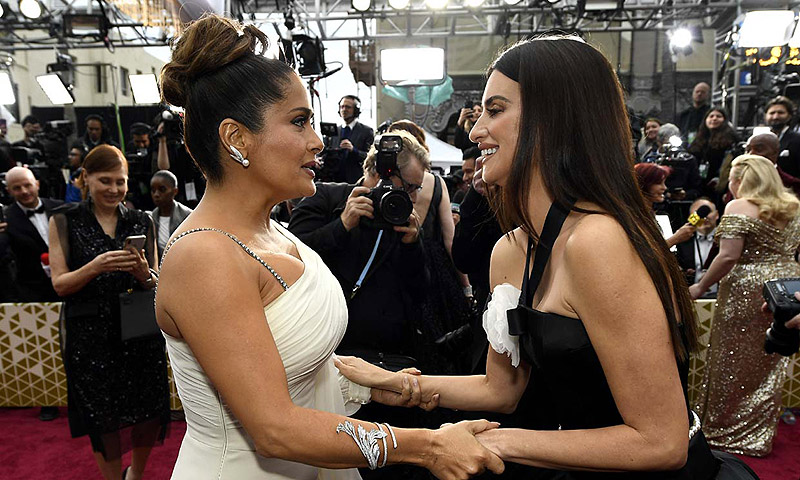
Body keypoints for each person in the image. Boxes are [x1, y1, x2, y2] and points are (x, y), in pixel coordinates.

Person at [337, 35, 758, 479]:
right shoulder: (511, 249)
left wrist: (489, 441)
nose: (476, 131)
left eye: (495, 111)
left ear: (552, 120)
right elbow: (502, 390)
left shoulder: (597, 241)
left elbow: (661, 441)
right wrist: (396, 382)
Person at [155, 15, 503, 480]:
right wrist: (429, 445)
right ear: (237, 139)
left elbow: (285, 360)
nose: (318, 141)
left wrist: (373, 381)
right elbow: (274, 429)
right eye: (299, 122)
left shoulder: (277, 231)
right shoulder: (204, 257)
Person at [48, 145, 169, 480]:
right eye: (105, 181)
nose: (114, 189)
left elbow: (154, 281)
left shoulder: (140, 219)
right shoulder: (63, 220)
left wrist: (142, 272)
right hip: (91, 339)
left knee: (148, 414)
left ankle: (136, 475)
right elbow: (60, 284)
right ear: (86, 178)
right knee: (103, 420)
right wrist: (95, 267)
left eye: (121, 181)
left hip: (140, 333)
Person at [689, 154, 800, 456]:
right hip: (786, 290)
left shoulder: (738, 206)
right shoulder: (794, 207)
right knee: (770, 358)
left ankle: (724, 431)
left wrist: (699, 286)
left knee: (730, 359)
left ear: (742, 179)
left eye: (733, 180)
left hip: (747, 289)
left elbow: (727, 256)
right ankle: (757, 435)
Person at [386, 120, 473, 375]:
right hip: (437, 272)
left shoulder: (378, 187)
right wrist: (466, 289)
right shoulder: (435, 183)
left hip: (396, 265)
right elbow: (450, 238)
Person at [0, 166, 63, 422]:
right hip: (33, 292)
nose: (24, 191)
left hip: (70, 284)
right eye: (17, 188)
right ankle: (48, 399)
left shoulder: (60, 207)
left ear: (36, 183)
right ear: (9, 191)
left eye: (27, 185)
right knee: (44, 346)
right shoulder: (7, 219)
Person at [634, 162, 696, 248]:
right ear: (644, 184)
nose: (665, 188)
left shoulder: (650, 212)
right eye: (659, 183)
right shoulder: (634, 216)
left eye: (664, 183)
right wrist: (676, 238)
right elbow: (645, 253)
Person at [688, 107, 738, 199]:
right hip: (699, 184)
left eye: (718, 116)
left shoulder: (732, 139)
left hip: (718, 186)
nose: (714, 118)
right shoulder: (698, 138)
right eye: (711, 116)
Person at [676, 198, 720, 297]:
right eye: (699, 214)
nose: (704, 218)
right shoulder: (682, 242)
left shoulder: (726, 239)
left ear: (717, 215)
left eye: (708, 212)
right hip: (691, 297)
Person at [149, 170, 192, 257]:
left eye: (162, 190)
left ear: (175, 191)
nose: (156, 194)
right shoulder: (150, 217)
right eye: (153, 190)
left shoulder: (188, 216)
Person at [337, 95, 375, 184]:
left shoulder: (366, 131)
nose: (344, 110)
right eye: (342, 107)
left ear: (356, 110)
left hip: (355, 180)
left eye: (348, 107)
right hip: (335, 181)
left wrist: (353, 150)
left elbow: (370, 157)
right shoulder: (335, 131)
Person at [765, 95, 800, 179]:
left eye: (780, 113)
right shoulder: (760, 140)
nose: (775, 117)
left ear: (789, 116)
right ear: (766, 116)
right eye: (772, 113)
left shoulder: (797, 140)